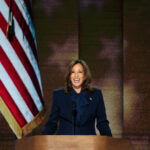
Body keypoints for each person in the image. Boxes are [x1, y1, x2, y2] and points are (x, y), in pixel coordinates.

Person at [42, 59, 112, 136]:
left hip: (88, 144)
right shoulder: (59, 95)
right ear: (69, 76)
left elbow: (102, 123)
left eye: (80, 72)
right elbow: (52, 123)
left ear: (85, 76)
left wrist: (110, 142)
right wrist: (42, 140)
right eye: (73, 72)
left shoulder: (96, 95)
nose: (76, 75)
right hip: (64, 144)